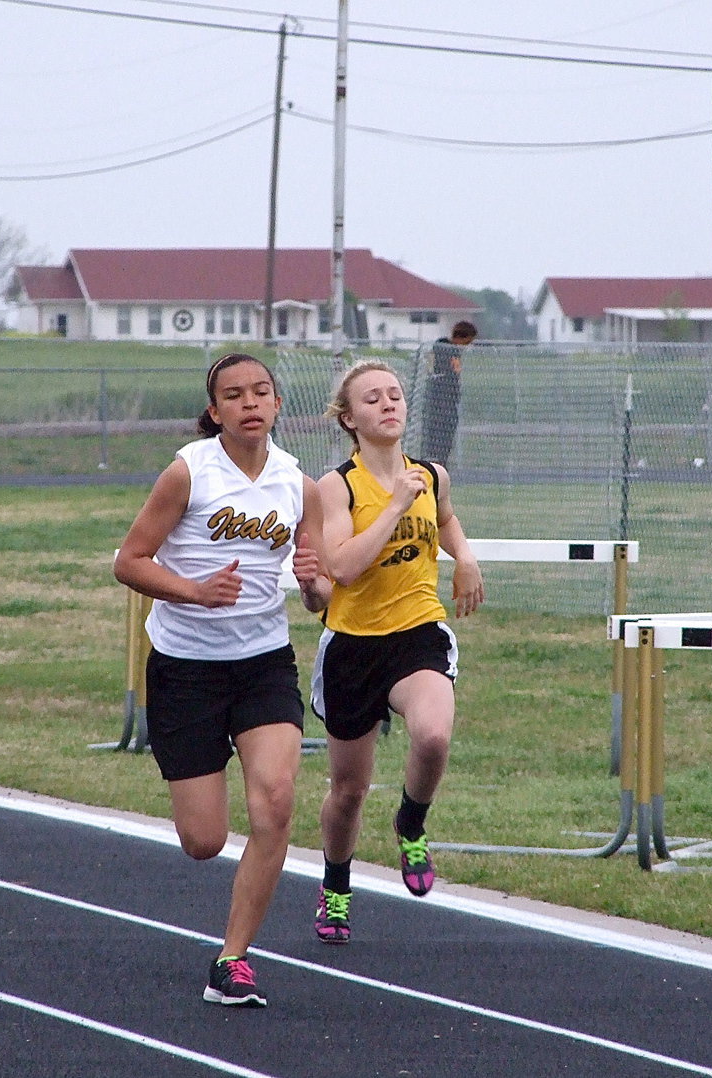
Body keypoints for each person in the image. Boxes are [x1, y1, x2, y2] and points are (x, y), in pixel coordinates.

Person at [113, 352, 331, 1007]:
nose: (249, 403)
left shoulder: (299, 484)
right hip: (185, 669)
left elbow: (318, 593)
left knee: (276, 802)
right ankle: (226, 931)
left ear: (277, 404)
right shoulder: (188, 473)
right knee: (204, 840)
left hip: (263, 663)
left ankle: (232, 960)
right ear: (215, 411)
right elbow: (128, 561)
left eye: (261, 391)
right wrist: (191, 591)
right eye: (234, 395)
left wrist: (314, 583)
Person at [310, 359, 484, 945]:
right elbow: (342, 567)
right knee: (348, 791)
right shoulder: (337, 486)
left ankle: (411, 822)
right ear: (349, 418)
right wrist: (391, 506)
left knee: (433, 735)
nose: (388, 405)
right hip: (354, 646)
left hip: (417, 634)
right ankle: (336, 887)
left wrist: (465, 558)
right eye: (372, 399)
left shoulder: (431, 476)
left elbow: (448, 518)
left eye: (395, 395)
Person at [421, 319, 478, 464]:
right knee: (439, 441)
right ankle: (436, 464)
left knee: (441, 442)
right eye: (467, 341)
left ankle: (439, 464)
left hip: (444, 404)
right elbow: (452, 371)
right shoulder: (447, 349)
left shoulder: (449, 351)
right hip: (442, 405)